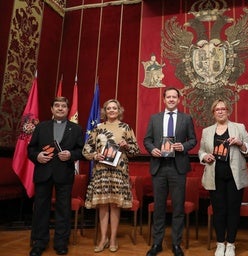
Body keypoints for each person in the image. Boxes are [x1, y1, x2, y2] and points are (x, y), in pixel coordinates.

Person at [143, 87, 197, 256]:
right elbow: (147, 140)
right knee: (159, 207)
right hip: (159, 167)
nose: (172, 99)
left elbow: (193, 140)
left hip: (177, 167)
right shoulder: (154, 118)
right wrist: (152, 149)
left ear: (179, 100)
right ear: (164, 99)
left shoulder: (186, 118)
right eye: (169, 97)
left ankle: (176, 244)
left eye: (175, 97)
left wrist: (184, 146)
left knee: (178, 207)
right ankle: (157, 244)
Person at [27, 96, 84, 256]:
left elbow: (82, 151)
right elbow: (30, 149)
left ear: (67, 109)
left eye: (64, 106)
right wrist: (37, 156)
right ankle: (39, 242)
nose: (60, 108)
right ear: (51, 109)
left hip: (64, 174)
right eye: (57, 106)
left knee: (63, 209)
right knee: (40, 209)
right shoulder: (41, 127)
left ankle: (61, 242)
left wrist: (71, 154)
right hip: (43, 173)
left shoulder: (76, 129)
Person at [82, 99, 140, 253]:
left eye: (115, 108)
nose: (112, 110)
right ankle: (103, 239)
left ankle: (113, 238)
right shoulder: (98, 128)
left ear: (119, 110)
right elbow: (86, 150)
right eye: (109, 108)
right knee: (102, 205)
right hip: (101, 171)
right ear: (105, 111)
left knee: (114, 205)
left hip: (118, 172)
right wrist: (95, 155)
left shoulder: (125, 127)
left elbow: (135, 151)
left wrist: (127, 146)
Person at [198, 99, 248, 256]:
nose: (220, 111)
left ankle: (231, 244)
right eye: (217, 109)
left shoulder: (239, 127)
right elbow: (201, 151)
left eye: (223, 109)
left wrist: (240, 143)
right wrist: (205, 156)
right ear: (213, 113)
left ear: (228, 111)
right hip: (214, 176)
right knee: (219, 211)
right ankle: (220, 243)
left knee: (233, 210)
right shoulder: (207, 131)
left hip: (235, 177)